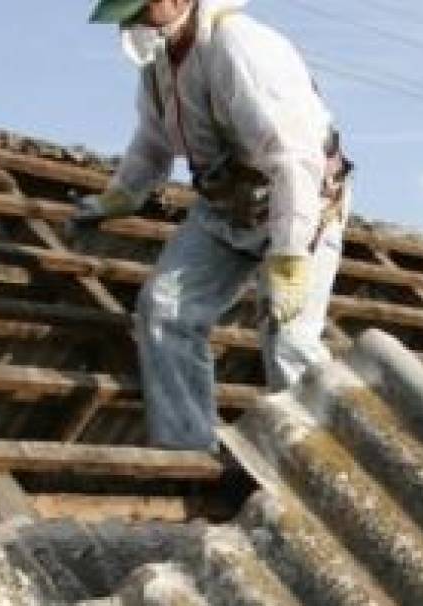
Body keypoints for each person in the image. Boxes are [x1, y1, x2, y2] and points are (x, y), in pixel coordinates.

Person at [74, 0, 352, 451]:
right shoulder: (160, 63)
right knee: (166, 309)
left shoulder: (239, 46)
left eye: (140, 8)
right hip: (225, 207)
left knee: (289, 339)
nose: (134, 21)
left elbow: (294, 157)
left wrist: (289, 254)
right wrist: (122, 193)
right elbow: (152, 140)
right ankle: (188, 447)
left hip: (299, 200)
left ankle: (326, 460)